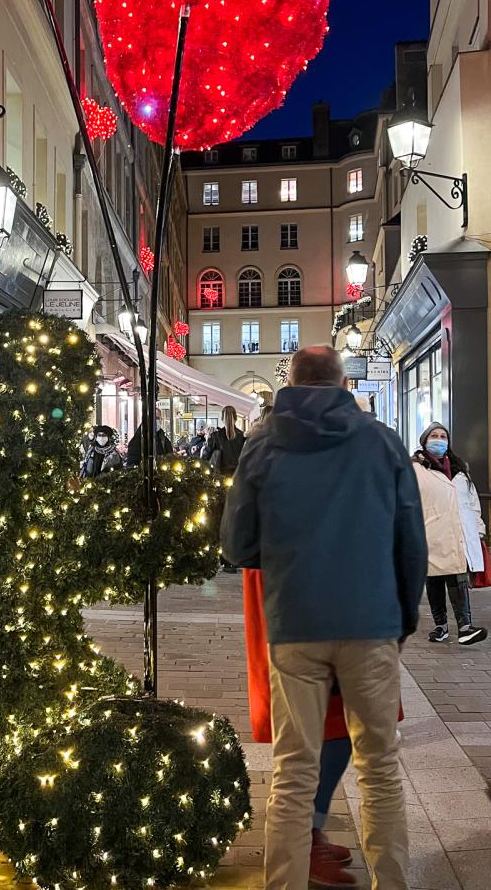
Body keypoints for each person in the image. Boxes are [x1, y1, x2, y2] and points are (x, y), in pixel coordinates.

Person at [221, 345, 428, 890]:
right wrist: (401, 619)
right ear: (343, 384)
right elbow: (411, 542)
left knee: (293, 772)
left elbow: (238, 544)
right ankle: (393, 882)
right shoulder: (381, 441)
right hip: (371, 621)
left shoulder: (262, 443)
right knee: (380, 767)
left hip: (296, 624)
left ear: (290, 381)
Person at [243, 569, 357, 888]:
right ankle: (299, 845)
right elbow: (239, 540)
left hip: (334, 585)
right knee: (302, 743)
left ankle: (308, 834)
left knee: (340, 725)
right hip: (294, 590)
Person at [411, 423, 487, 646]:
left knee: (458, 578)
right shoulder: (415, 469)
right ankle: (441, 626)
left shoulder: (459, 469)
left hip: (460, 532)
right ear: (424, 441)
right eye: (434, 436)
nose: (439, 439)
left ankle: (465, 627)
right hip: (431, 531)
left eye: (443, 436)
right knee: (434, 580)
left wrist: (478, 528)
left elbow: (471, 502)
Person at [204, 406, 246, 572]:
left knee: (220, 520)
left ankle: (223, 558)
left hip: (220, 481)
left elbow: (206, 457)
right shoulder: (242, 436)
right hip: (237, 482)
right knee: (235, 521)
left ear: (222, 418)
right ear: (236, 418)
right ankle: (235, 558)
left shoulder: (216, 436)